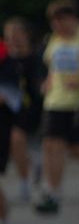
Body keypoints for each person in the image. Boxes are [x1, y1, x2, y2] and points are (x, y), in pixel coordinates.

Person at [37, 0, 79, 216]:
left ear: (72, 19)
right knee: (51, 145)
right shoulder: (52, 40)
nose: (58, 25)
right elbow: (50, 67)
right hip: (54, 100)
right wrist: (47, 83)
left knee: (77, 150)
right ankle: (53, 191)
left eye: (62, 20)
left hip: (76, 102)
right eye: (54, 21)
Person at [1, 17, 44, 208]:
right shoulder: (5, 60)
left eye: (18, 34)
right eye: (10, 35)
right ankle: (30, 165)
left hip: (30, 108)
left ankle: (25, 183)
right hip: (9, 109)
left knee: (16, 138)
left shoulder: (36, 58)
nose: (14, 39)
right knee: (13, 145)